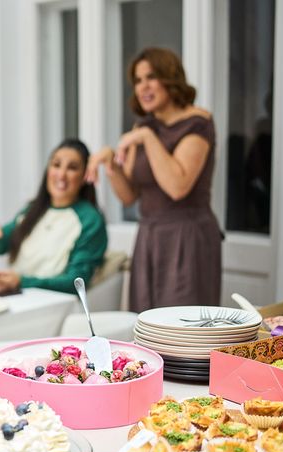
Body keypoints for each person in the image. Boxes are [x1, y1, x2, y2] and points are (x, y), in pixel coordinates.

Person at [86, 47, 221, 312]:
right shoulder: (143, 126)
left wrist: (148, 138)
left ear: (169, 79)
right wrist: (110, 163)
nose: (142, 87)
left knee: (182, 327)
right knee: (145, 323)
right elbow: (129, 196)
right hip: (149, 235)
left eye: (150, 77)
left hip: (186, 236)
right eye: (137, 80)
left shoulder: (197, 122)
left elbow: (177, 186)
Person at [0, 139, 107, 294]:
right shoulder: (32, 210)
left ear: (85, 175)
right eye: (56, 165)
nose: (61, 175)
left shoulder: (90, 220)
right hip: (16, 295)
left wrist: (22, 281)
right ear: (48, 170)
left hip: (52, 302)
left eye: (72, 168)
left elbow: (76, 282)